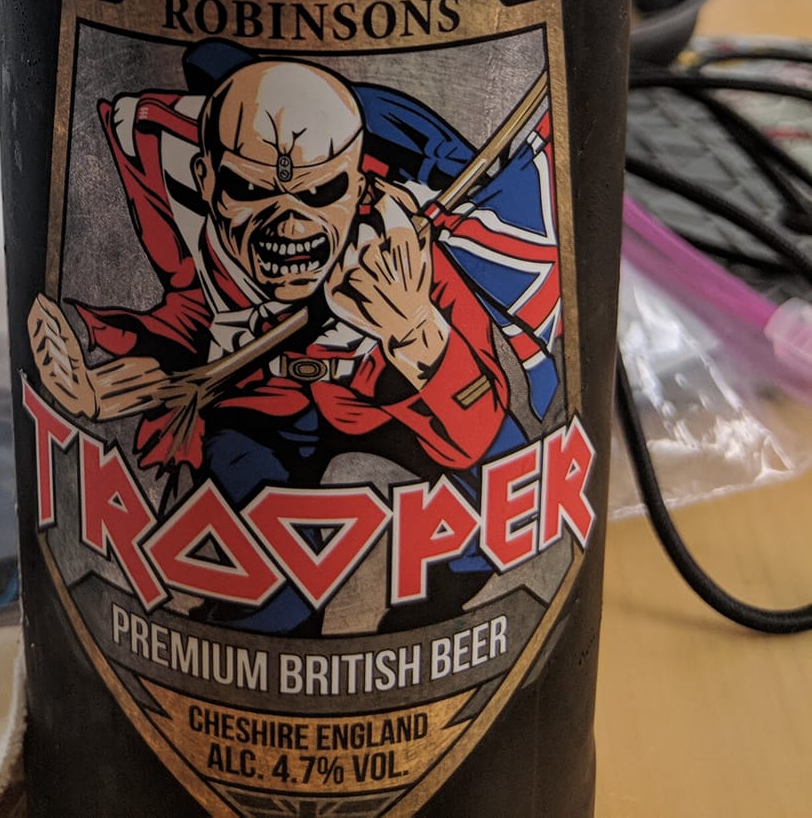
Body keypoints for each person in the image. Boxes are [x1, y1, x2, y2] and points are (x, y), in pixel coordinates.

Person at [28, 48, 561, 633]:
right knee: (268, 592)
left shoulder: (407, 249)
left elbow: (476, 426)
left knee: (509, 498)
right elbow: (191, 313)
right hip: (263, 405)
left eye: (318, 193)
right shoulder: (179, 201)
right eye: (249, 189)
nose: (287, 221)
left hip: (386, 394)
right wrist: (96, 359)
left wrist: (414, 329)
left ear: (358, 186)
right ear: (206, 179)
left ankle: (426, 621)